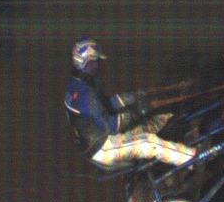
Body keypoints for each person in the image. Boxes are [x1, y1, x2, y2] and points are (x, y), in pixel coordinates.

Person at [64, 37, 198, 170]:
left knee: (148, 125)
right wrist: (139, 110)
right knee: (149, 142)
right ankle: (194, 158)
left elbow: (107, 103)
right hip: (102, 147)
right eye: (95, 62)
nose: (97, 65)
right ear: (85, 61)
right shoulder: (84, 94)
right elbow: (112, 126)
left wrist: (135, 96)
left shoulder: (79, 82)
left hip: (98, 138)